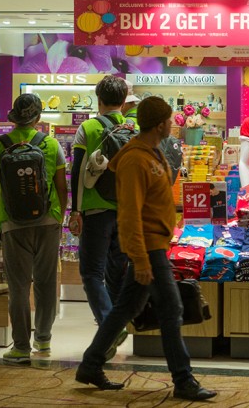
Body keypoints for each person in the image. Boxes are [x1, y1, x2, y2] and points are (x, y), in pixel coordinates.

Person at [76, 96, 217, 402]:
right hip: (148, 248)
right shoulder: (134, 160)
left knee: (125, 309)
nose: (173, 124)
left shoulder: (153, 152)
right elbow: (129, 214)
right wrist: (140, 259)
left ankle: (90, 364)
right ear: (159, 125)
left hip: (156, 245)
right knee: (171, 309)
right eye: (169, 120)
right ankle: (183, 379)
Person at [0, 93, 67, 365]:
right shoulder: (51, 144)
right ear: (38, 118)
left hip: (12, 223)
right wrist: (59, 217)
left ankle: (20, 347)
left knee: (18, 286)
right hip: (48, 222)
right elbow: (62, 187)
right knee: (46, 282)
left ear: (14, 118)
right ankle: (44, 339)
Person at [69, 75, 130, 327]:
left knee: (91, 273)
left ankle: (108, 326)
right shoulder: (133, 129)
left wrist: (75, 211)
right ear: (124, 101)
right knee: (118, 271)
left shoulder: (88, 128)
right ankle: (118, 323)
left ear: (99, 99)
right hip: (126, 212)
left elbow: (77, 170)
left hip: (95, 211)